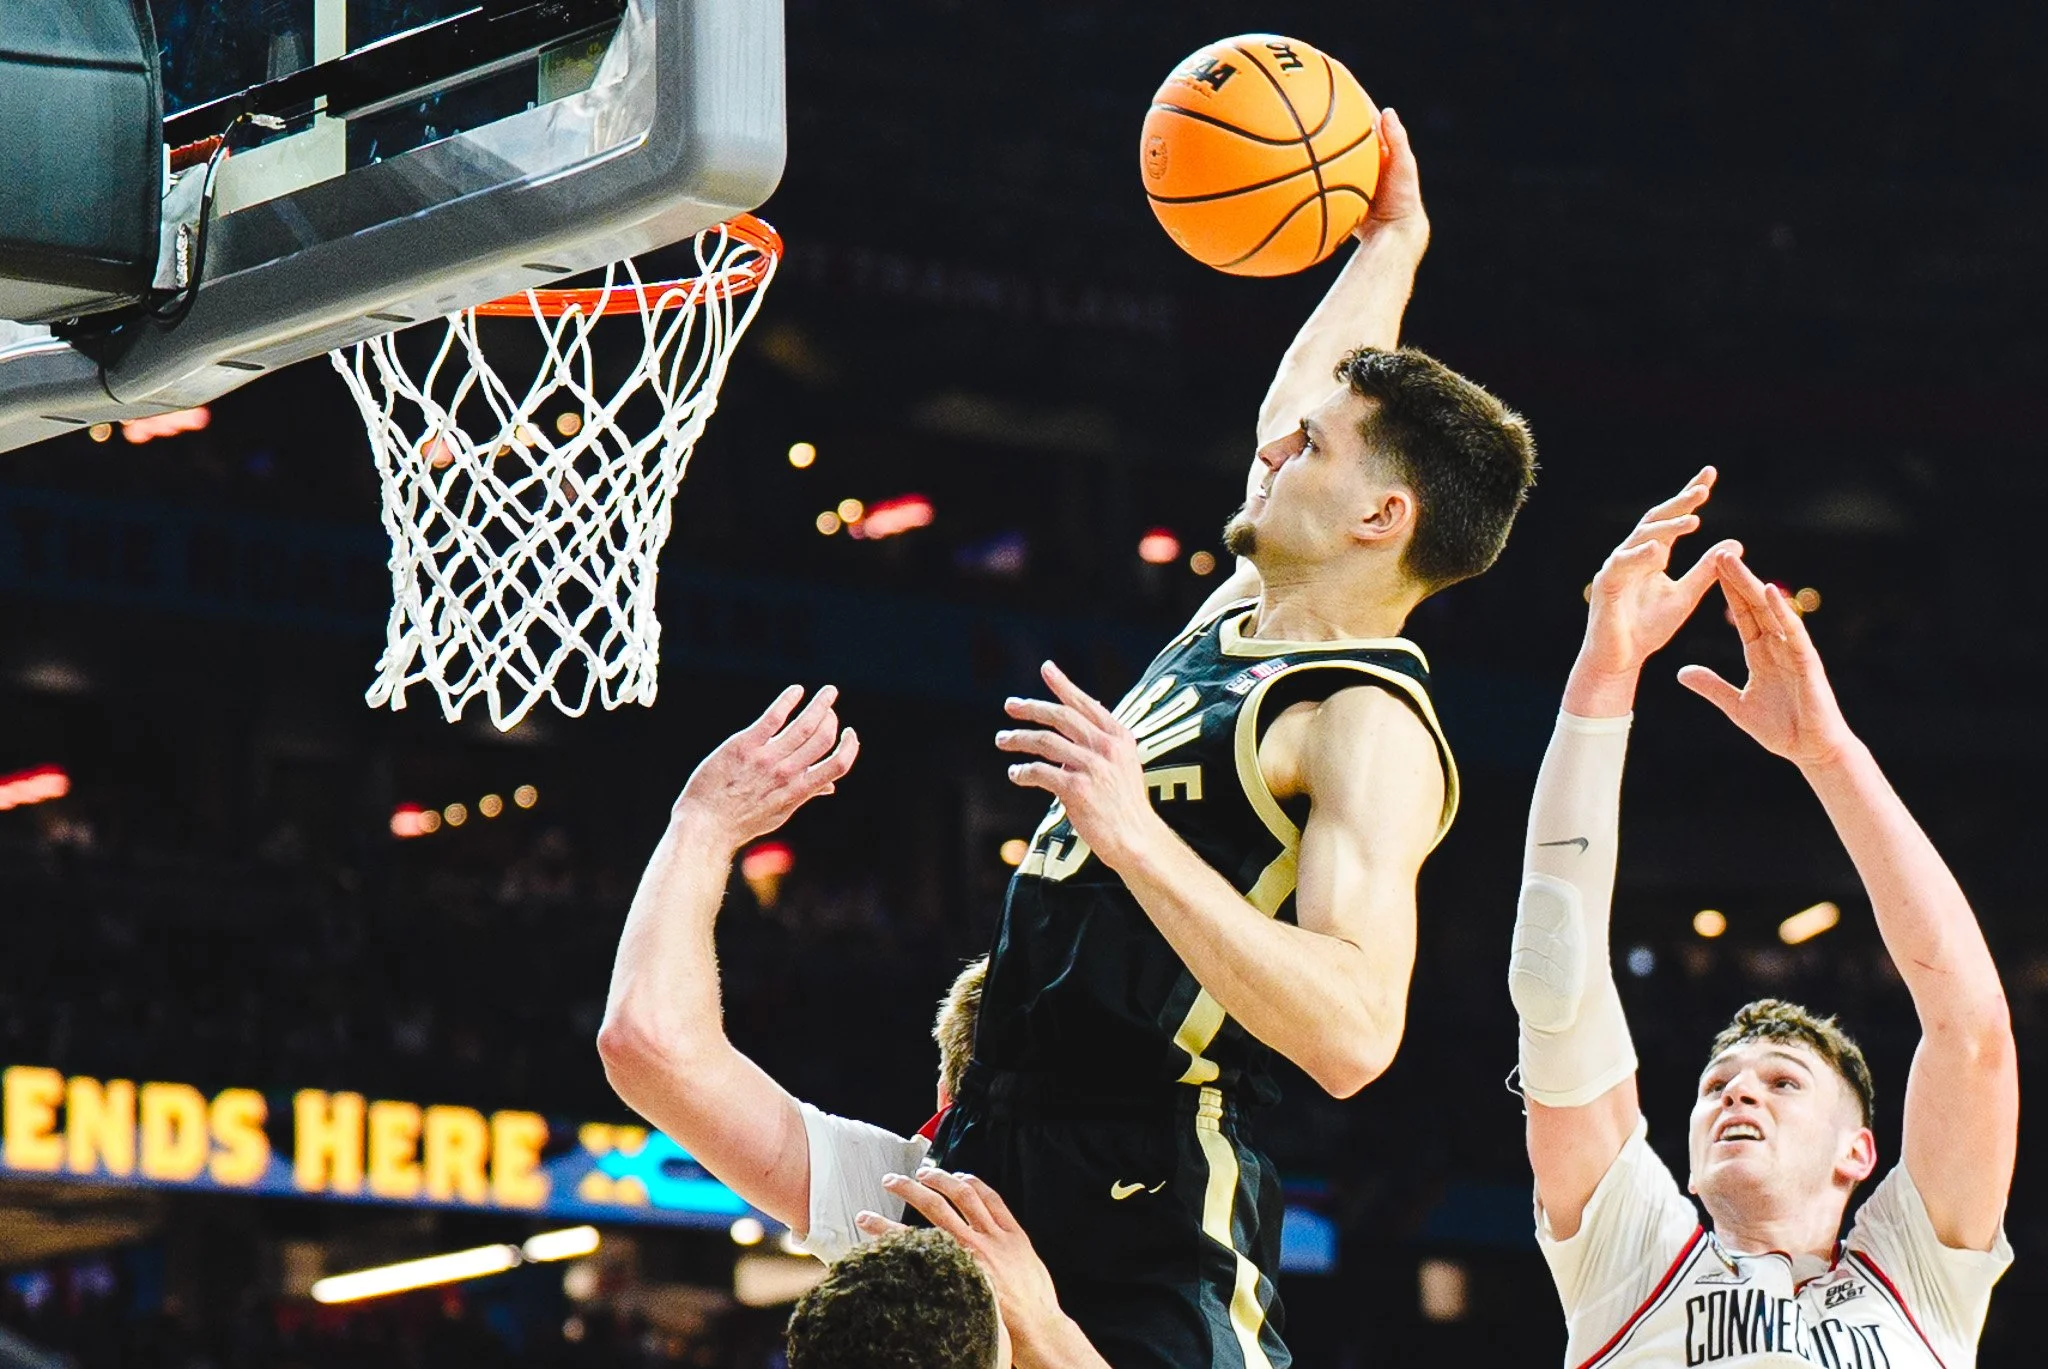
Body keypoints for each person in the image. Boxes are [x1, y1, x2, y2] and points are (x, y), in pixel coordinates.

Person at [932, 108, 1539, 1367]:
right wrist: (1389, 244)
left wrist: (1133, 835)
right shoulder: (1241, 613)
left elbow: (1355, 1034)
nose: (1273, 445)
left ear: (1379, 517)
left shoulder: (1361, 720)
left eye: (1308, 449)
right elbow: (1299, 394)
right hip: (1003, 1129)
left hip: (1150, 1189)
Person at [1511, 470, 2016, 1366]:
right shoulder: (1632, 1262)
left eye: (1782, 1082)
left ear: (1858, 1151)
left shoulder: (1920, 1276)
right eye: (1717, 1086)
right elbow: (1559, 967)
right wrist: (1608, 671)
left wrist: (1829, 753)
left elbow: (1971, 1031)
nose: (1737, 1093)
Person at [596, 684, 1103, 1368]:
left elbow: (649, 1043)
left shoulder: (907, 1201)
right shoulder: (917, 1197)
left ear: (946, 1103)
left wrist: (701, 827)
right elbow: (648, 1045)